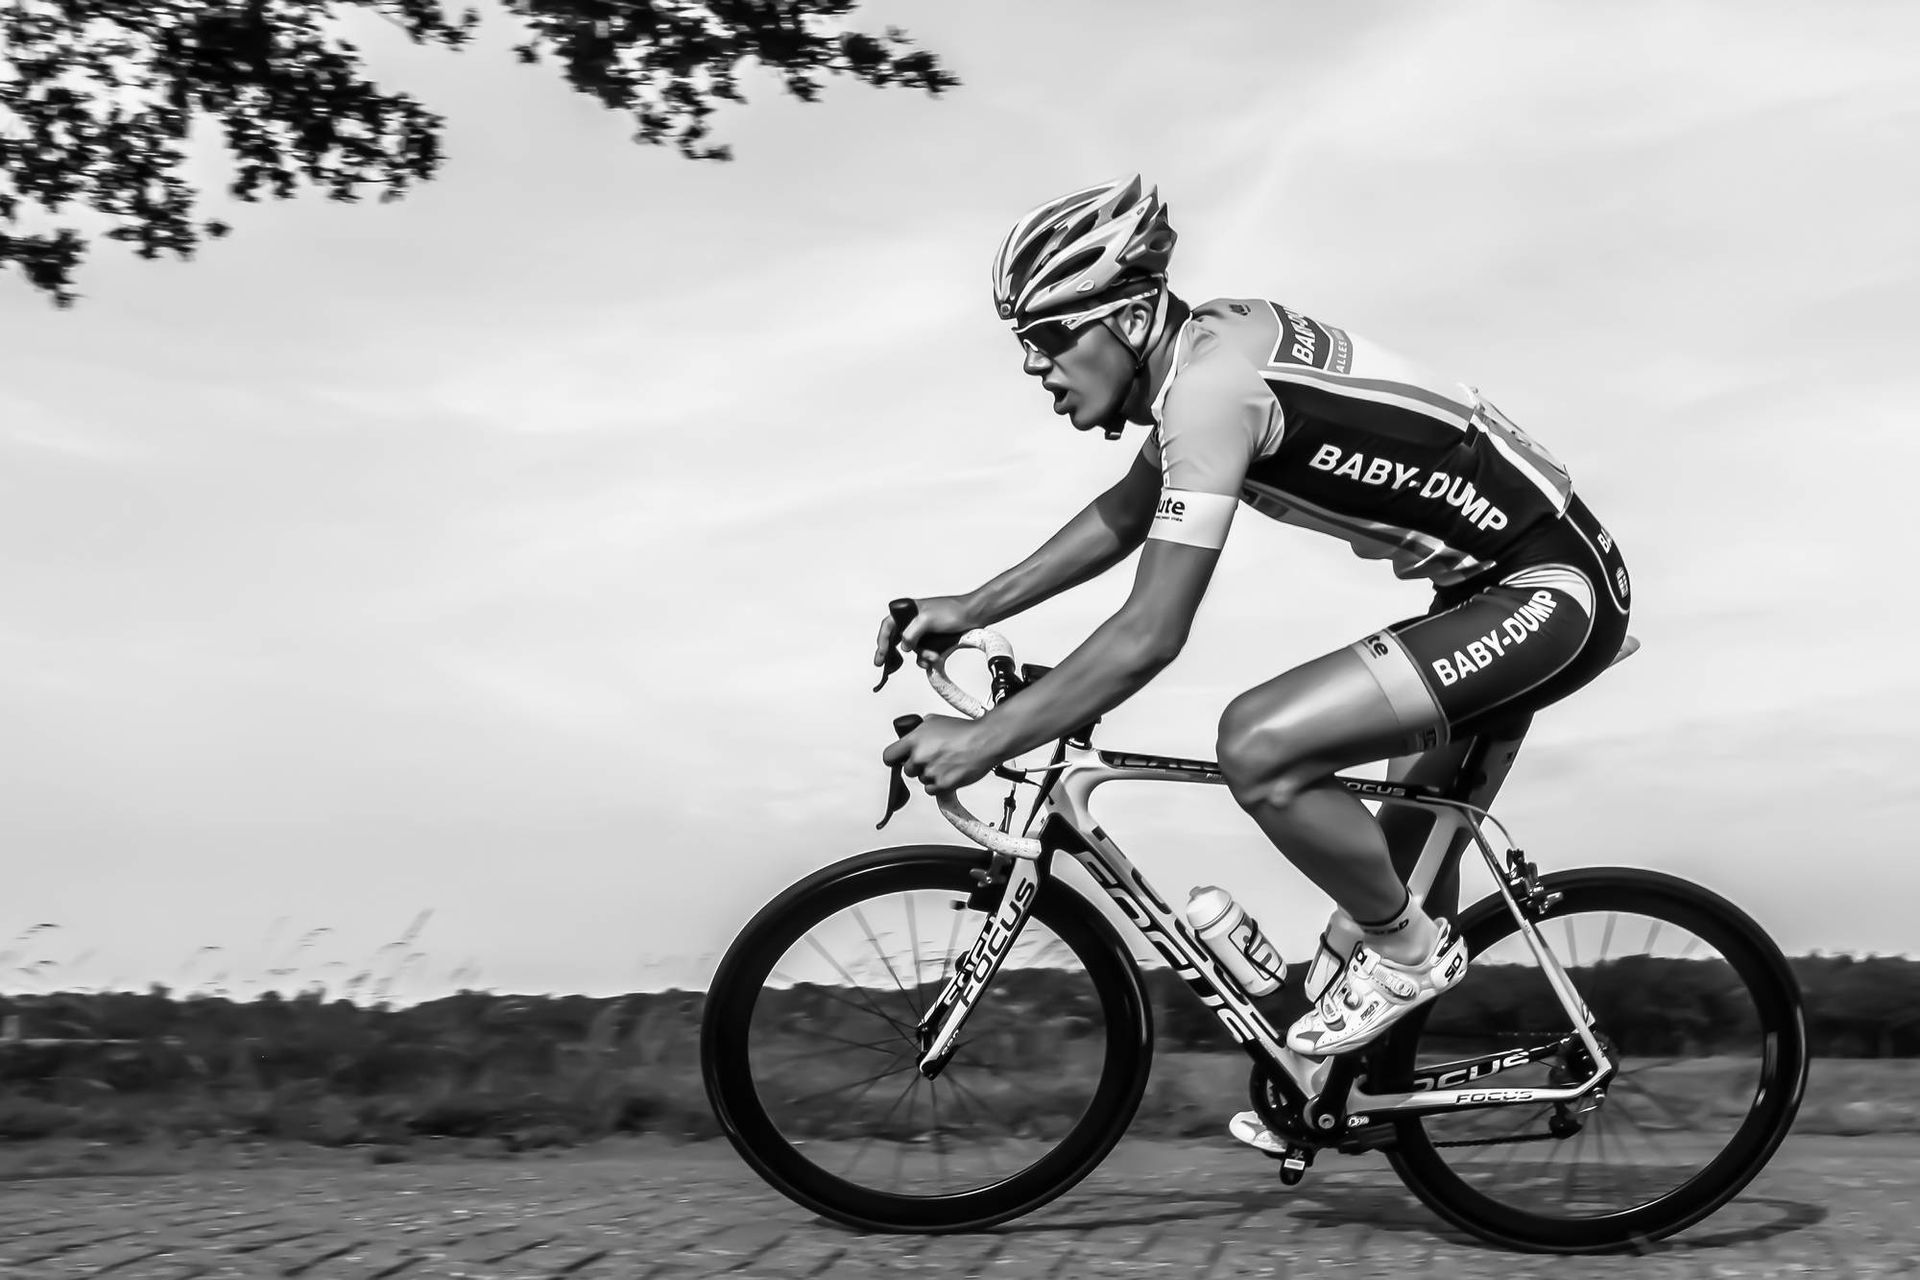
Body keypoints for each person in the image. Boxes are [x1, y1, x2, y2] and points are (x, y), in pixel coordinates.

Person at [874, 174, 1631, 1140]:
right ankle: (1348, 1085)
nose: (1034, 364)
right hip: (1491, 590)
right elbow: (1128, 508)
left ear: (1135, 315)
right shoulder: (1207, 349)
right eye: (1025, 338)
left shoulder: (1212, 391)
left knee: (1261, 745)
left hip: (1546, 590)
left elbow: (1152, 631)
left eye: (1054, 335)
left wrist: (988, 739)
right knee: (1391, 879)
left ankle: (1402, 960)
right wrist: (974, 604)